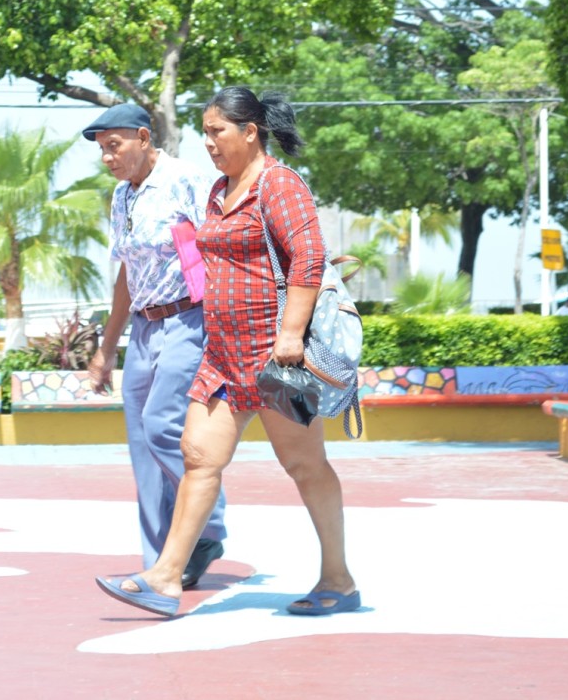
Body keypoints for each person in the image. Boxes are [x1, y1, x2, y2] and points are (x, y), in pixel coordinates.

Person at [95, 87, 360, 618]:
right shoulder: (218, 191)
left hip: (274, 361)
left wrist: (290, 335)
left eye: (217, 131)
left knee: (305, 466)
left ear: (250, 132)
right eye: (205, 132)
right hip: (224, 356)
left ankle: (339, 579)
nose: (209, 142)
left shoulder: (279, 185)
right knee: (198, 457)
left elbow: (308, 258)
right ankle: (166, 579)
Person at [83, 103, 227, 589]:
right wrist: (107, 347)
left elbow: (221, 245)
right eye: (103, 150)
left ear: (144, 137)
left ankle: (207, 527)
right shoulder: (122, 197)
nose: (108, 158)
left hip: (190, 317)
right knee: (142, 443)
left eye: (115, 146)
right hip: (143, 329)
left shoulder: (187, 180)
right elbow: (127, 274)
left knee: (162, 424)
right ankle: (159, 561)